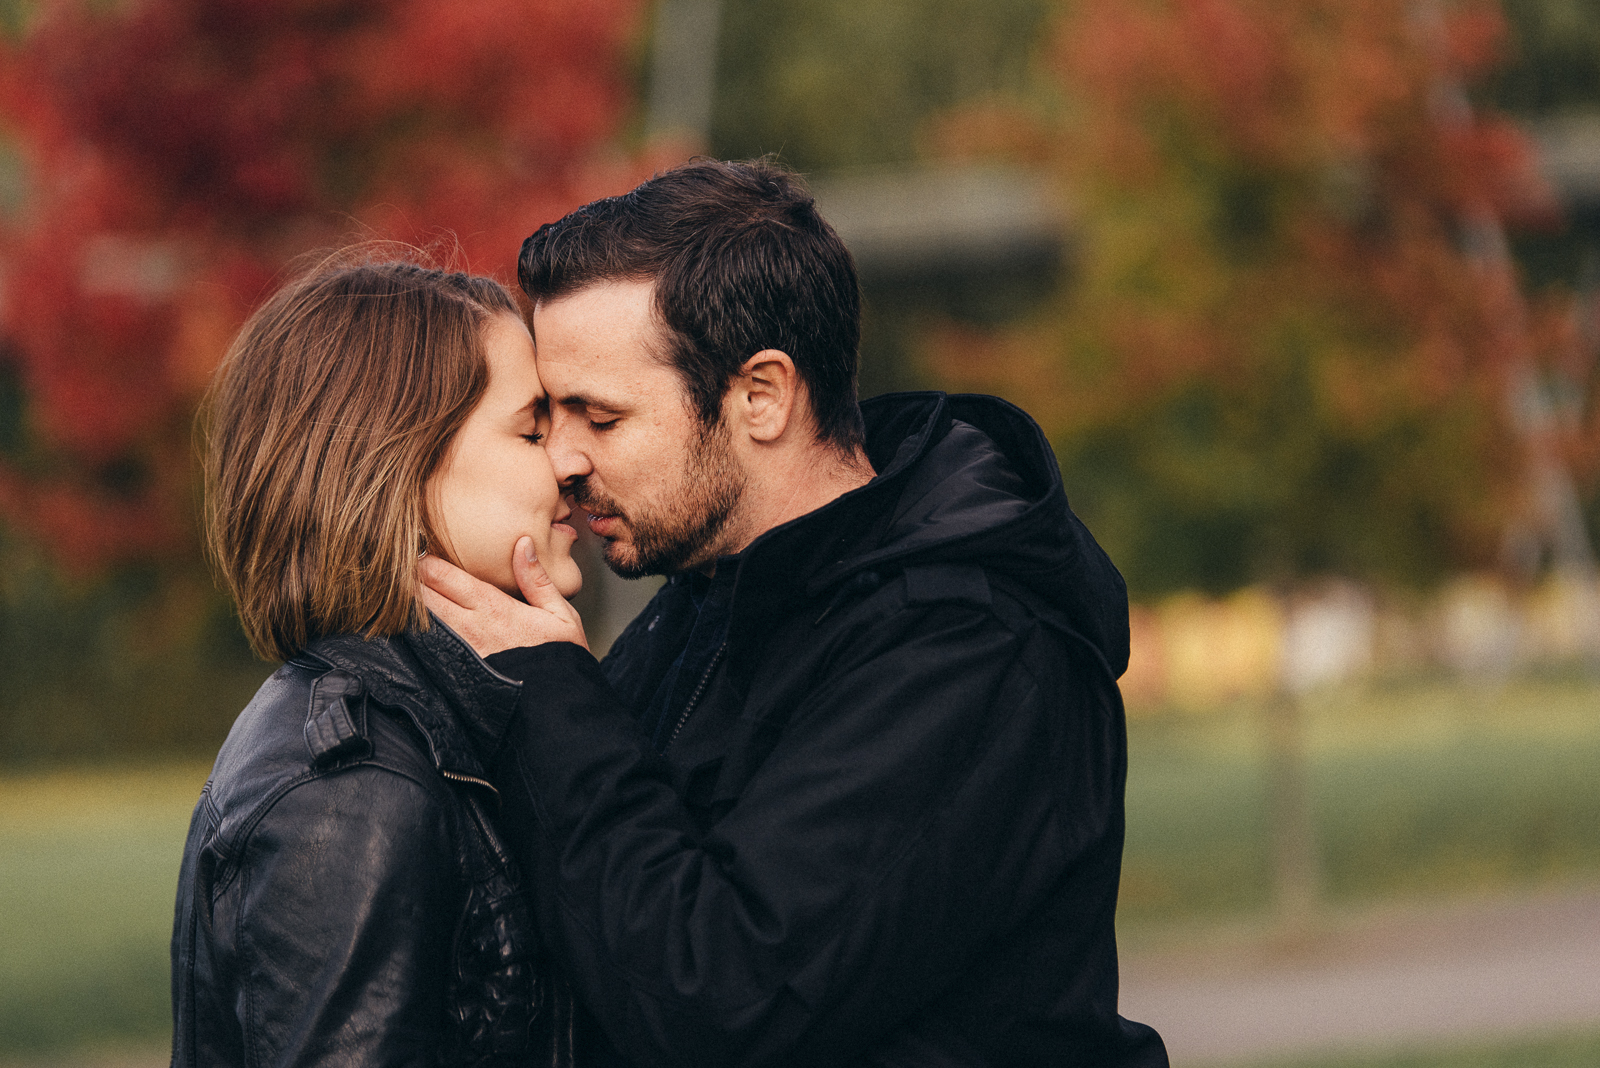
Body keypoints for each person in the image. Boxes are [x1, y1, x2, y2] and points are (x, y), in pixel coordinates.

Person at [423, 159, 1169, 1066]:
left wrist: (552, 703)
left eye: (600, 418)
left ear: (761, 396)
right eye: (548, 420)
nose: (563, 462)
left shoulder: (968, 643)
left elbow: (724, 1004)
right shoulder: (712, 597)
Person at [171, 251, 590, 1067]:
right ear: (397, 462)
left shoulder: (437, 730)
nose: (570, 462)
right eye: (533, 427)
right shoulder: (353, 789)